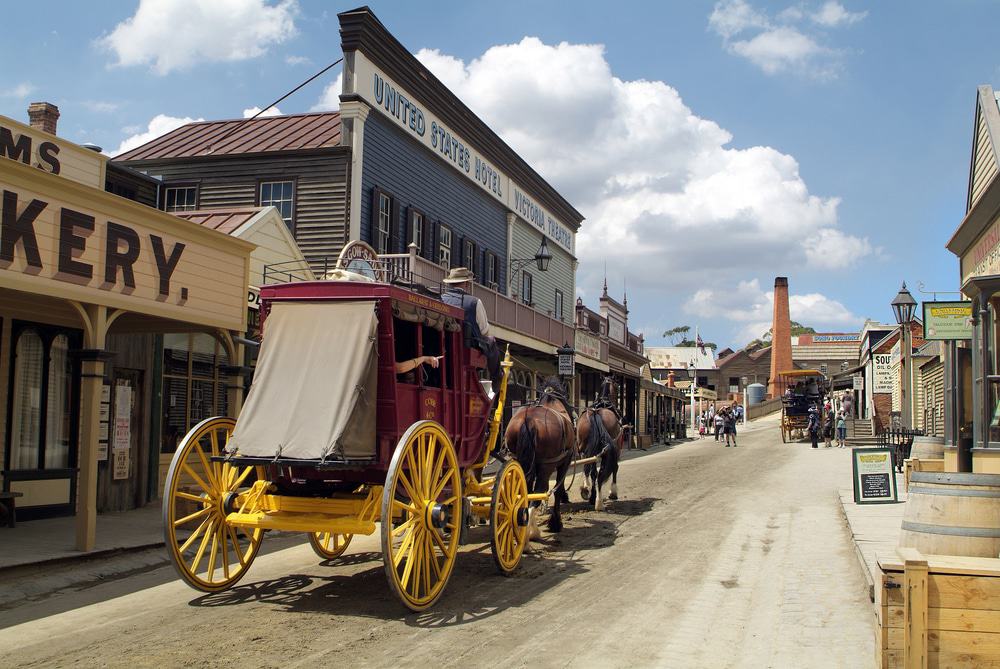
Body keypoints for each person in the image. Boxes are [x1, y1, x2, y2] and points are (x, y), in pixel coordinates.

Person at [441, 267, 500, 385]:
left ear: (450, 283)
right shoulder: (474, 302)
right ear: (467, 283)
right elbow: (484, 330)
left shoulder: (441, 299)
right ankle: (497, 378)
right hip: (468, 346)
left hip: (443, 344)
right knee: (491, 340)